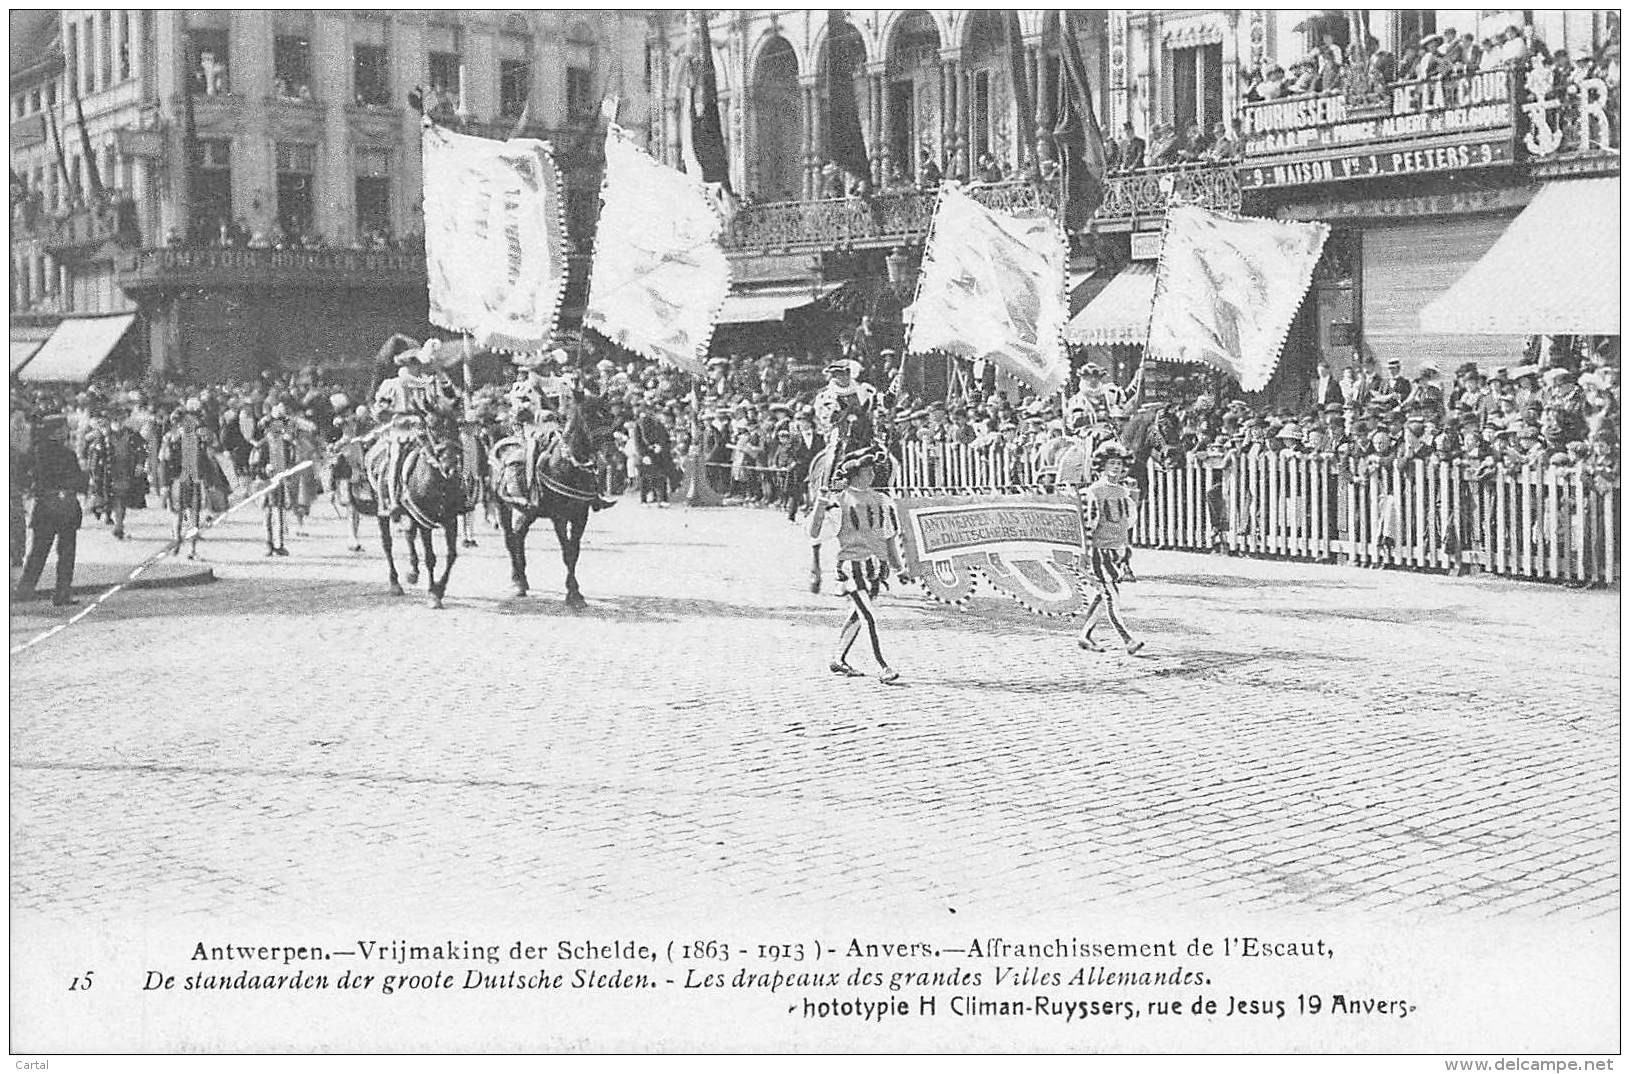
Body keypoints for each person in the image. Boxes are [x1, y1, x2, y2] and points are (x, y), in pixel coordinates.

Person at [810, 446, 906, 684]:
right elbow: (814, 533)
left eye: (872, 470)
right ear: (855, 474)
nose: (871, 474)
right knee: (868, 616)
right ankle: (882, 666)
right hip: (852, 568)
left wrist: (899, 568)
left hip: (875, 567)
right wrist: (819, 506)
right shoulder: (837, 502)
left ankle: (838, 659)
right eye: (867, 470)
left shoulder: (882, 500)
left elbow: (888, 537)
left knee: (858, 613)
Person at [1074, 441, 1144, 656]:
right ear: (1102, 466)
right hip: (1098, 550)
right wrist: (1084, 553)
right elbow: (1088, 524)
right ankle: (1127, 639)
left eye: (1119, 464)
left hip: (1116, 550)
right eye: (1111, 464)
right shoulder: (1093, 491)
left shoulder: (1123, 491)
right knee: (1111, 595)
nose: (1115, 468)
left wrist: (1124, 550)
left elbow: (1129, 520)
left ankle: (1085, 636)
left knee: (1105, 594)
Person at [14, 414, 88, 607]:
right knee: (66, 552)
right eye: (63, 428)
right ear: (56, 431)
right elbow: (79, 481)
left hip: (44, 507)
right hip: (65, 508)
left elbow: (23, 476)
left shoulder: (36, 451)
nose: (66, 431)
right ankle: (62, 593)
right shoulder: (67, 454)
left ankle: (25, 589)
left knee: (38, 551)